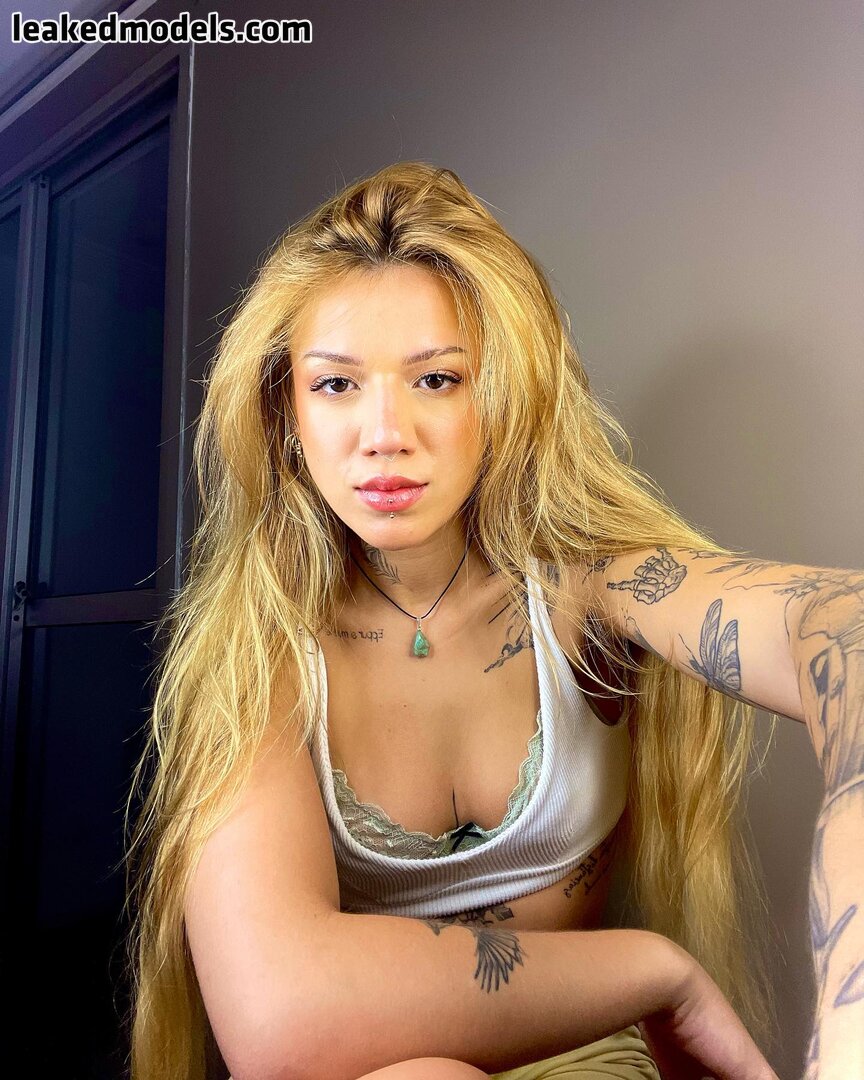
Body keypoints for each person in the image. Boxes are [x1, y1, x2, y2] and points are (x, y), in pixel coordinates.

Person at [121, 162, 862, 1080]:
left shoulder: (588, 594)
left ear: (502, 394)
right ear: (286, 413)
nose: (384, 434)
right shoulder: (259, 652)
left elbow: (842, 625)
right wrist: (656, 971)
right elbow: (281, 1018)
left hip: (577, 1059)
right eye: (337, 386)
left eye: (437, 379)